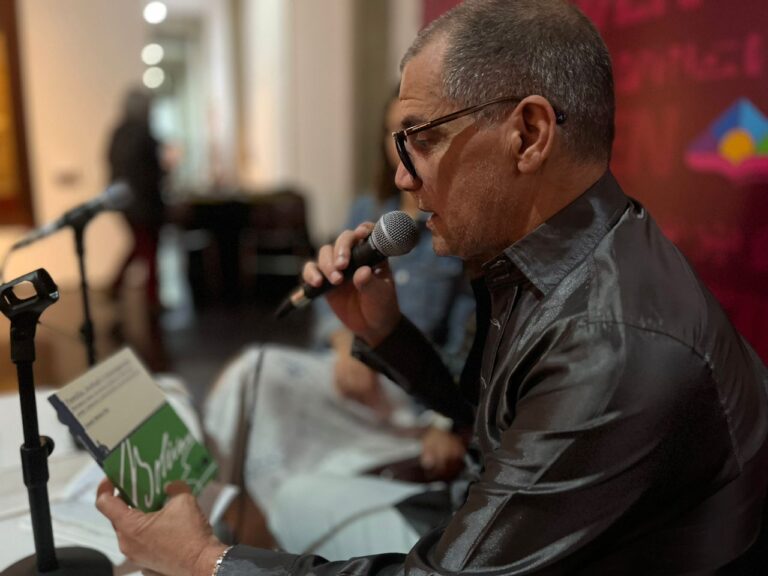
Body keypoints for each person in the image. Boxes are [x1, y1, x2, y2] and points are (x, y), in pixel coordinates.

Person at [96, 1, 768, 574]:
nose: (402, 176)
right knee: (291, 492)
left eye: (421, 138)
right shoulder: (557, 257)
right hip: (489, 516)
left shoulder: (609, 340)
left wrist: (205, 561)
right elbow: (504, 417)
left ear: (529, 134)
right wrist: (386, 333)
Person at [202, 93, 474, 555]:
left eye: (417, 132)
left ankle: (252, 533)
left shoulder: (454, 224)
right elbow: (332, 300)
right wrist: (348, 338)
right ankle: (230, 517)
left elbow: (470, 344)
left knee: (256, 373)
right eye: (394, 133)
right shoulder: (369, 207)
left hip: (412, 388)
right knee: (252, 375)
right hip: (353, 364)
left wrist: (447, 422)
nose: (402, 147)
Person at [107, 88, 167, 313]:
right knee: (149, 250)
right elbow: (149, 174)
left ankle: (115, 285)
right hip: (143, 203)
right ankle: (152, 298)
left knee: (140, 246)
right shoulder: (143, 134)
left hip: (124, 202)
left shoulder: (118, 133)